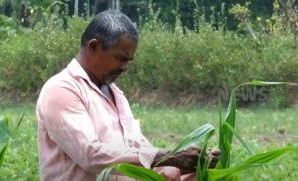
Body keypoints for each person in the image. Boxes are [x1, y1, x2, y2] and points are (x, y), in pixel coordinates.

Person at [36, 10, 214, 181]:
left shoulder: (115, 94)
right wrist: (169, 157)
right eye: (121, 58)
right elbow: (90, 155)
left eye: (128, 61)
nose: (125, 67)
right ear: (94, 47)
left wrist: (190, 162)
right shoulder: (62, 90)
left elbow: (139, 150)